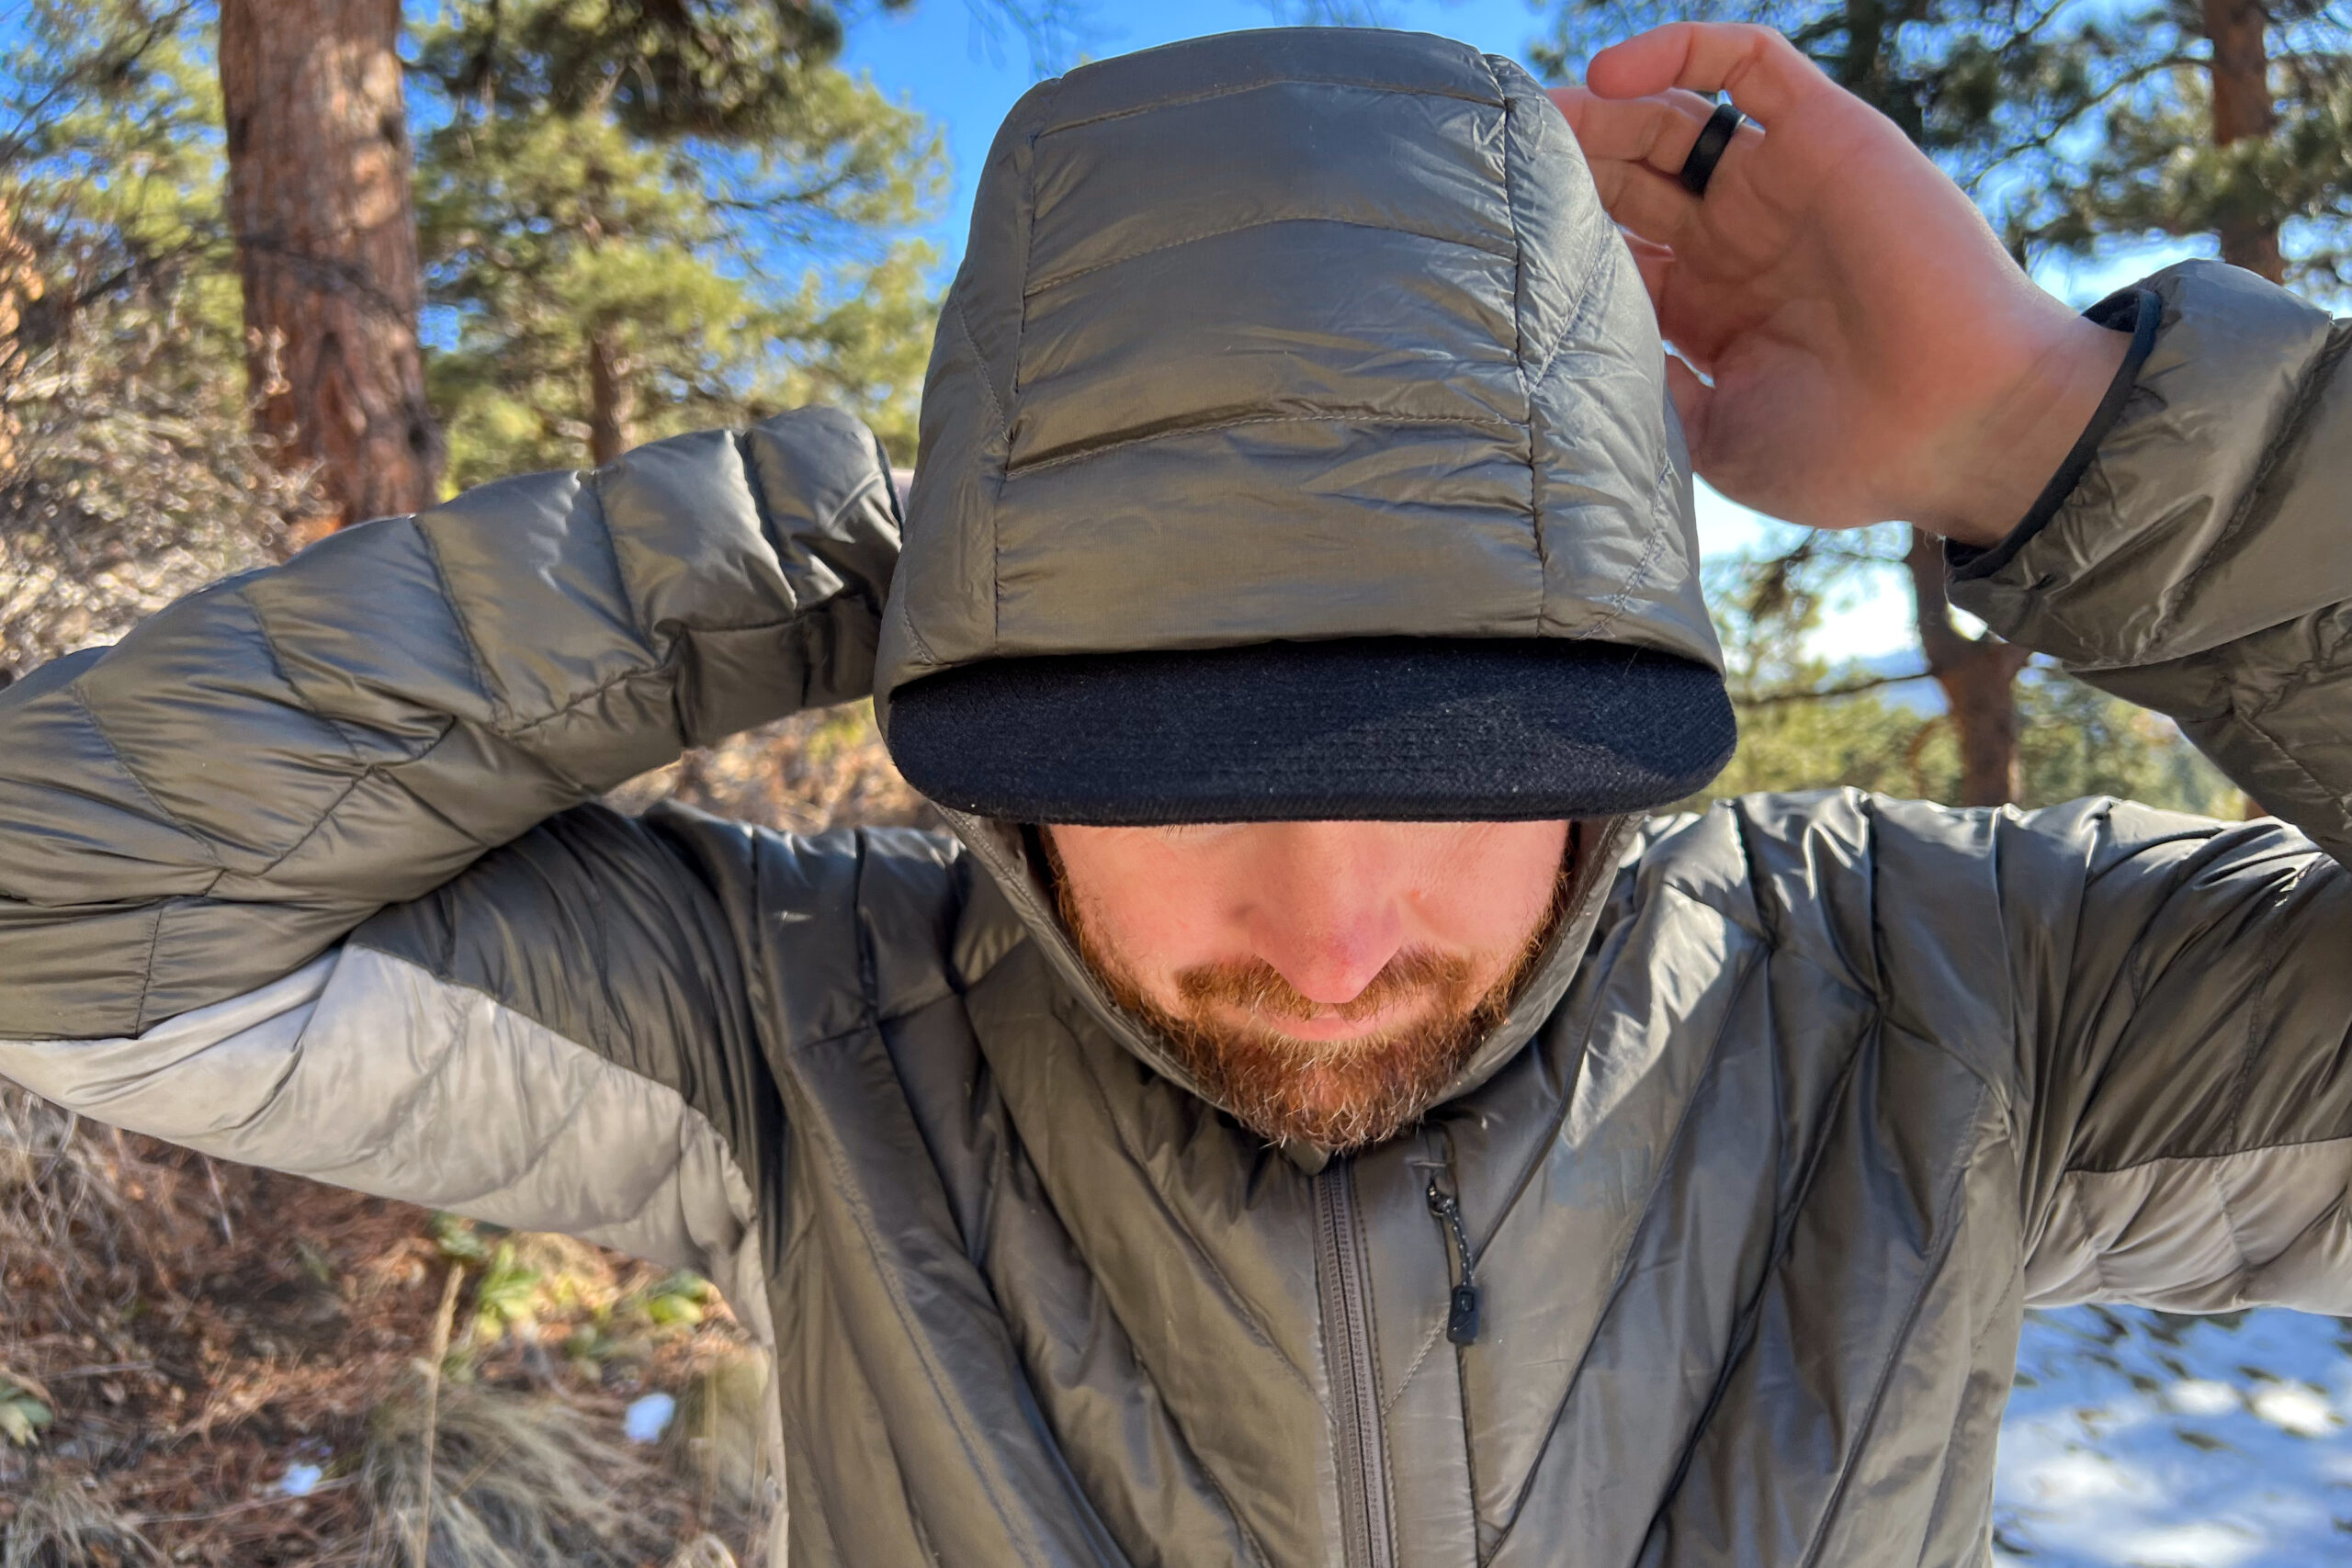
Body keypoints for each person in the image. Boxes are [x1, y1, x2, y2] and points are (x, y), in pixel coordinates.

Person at [2, 19, 2346, 1566]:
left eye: (1462, 771)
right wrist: (908, 546)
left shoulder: (1959, 997)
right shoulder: (802, 1038)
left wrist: (2064, 438)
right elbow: (62, 900)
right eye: (1157, 764)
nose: (1328, 936)